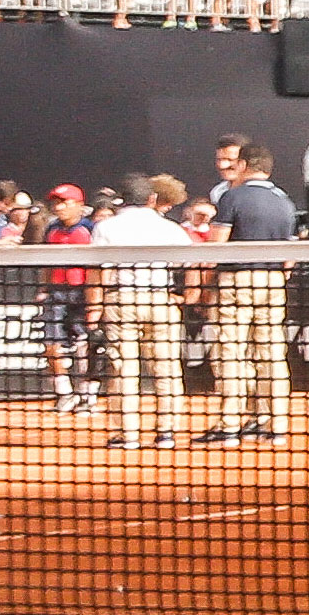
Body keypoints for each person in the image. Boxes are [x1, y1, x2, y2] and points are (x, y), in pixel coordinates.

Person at [195, 136, 298, 445]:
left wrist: (205, 284)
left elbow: (216, 248)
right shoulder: (285, 201)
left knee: (231, 353)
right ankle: (273, 424)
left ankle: (230, 425)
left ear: (242, 165)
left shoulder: (232, 198)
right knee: (271, 354)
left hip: (236, 281)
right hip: (274, 282)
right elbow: (290, 255)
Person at [93, 178, 199, 449]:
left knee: (123, 370)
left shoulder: (106, 227)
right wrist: (190, 295)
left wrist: (96, 305)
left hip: (122, 299)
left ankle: (127, 435)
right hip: (159, 299)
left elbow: (99, 271)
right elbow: (192, 260)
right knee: (167, 369)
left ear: (121, 201)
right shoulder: (169, 227)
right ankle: (167, 433)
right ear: (152, 199)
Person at [35, 186, 101, 414]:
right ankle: (64, 394)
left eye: (64, 202)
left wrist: (95, 302)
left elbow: (96, 269)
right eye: (56, 203)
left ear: (78, 204)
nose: (58, 207)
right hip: (56, 294)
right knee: (50, 345)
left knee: (85, 346)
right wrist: (44, 287)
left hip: (83, 294)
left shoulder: (91, 230)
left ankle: (87, 397)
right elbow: (46, 262)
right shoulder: (51, 229)